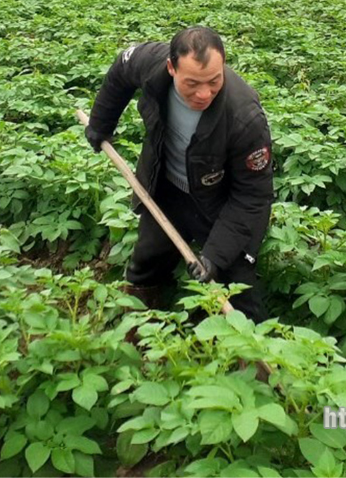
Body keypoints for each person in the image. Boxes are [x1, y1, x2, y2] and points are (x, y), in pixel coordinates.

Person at [85, 26, 274, 322]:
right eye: (192, 83)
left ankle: (243, 350)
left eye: (214, 81)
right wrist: (100, 123)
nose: (204, 94)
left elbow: (253, 196)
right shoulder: (150, 63)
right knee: (146, 264)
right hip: (168, 188)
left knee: (238, 290)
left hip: (220, 203)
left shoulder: (243, 116)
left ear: (223, 64)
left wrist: (215, 256)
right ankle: (140, 328)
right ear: (171, 68)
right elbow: (122, 69)